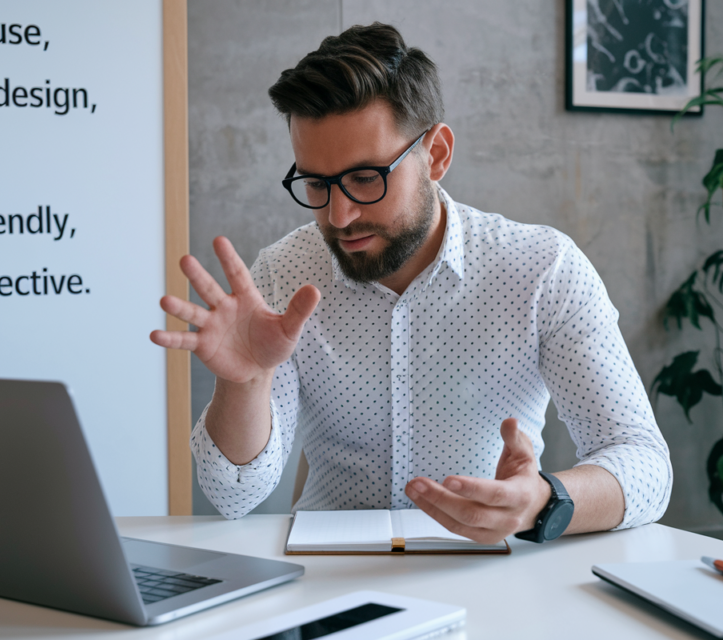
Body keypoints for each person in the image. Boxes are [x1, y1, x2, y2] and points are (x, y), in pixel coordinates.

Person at [150, 23, 671, 544]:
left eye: (364, 178)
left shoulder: (542, 268)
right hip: (329, 581)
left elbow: (645, 465)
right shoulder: (283, 274)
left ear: (436, 154)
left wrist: (544, 501)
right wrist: (246, 382)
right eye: (316, 183)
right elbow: (233, 494)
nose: (339, 214)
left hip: (493, 576)